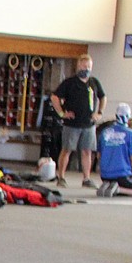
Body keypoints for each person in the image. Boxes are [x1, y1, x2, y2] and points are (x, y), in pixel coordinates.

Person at [51, 54, 105, 188]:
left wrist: (99, 113)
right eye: (83, 66)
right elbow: (54, 97)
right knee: (67, 150)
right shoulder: (69, 83)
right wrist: (62, 113)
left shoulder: (94, 82)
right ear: (78, 66)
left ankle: (86, 178)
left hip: (89, 124)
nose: (85, 69)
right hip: (72, 124)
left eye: (88, 67)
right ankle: (61, 177)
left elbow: (103, 97)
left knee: (87, 152)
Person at [97, 103, 132, 197]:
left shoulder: (105, 132)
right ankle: (118, 189)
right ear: (129, 117)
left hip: (105, 175)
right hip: (122, 175)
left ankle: (108, 184)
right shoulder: (131, 134)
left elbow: (99, 156)